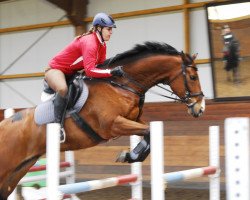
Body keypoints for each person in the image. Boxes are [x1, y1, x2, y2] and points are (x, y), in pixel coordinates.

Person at [44, 12, 123, 140]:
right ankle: (57, 127)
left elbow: (100, 65)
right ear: (99, 28)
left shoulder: (102, 44)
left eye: (111, 29)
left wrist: (113, 75)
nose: (111, 32)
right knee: (63, 89)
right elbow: (91, 70)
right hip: (55, 70)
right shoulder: (90, 43)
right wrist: (111, 72)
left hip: (72, 72)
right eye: (109, 29)